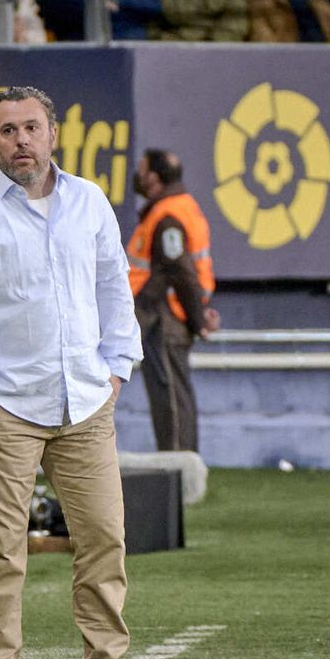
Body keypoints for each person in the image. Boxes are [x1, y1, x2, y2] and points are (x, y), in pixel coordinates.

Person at [0, 86, 167, 659]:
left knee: (106, 537)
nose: (21, 140)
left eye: (31, 128)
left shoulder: (90, 203)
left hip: (86, 402)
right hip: (8, 409)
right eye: (8, 130)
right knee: (0, 547)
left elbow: (116, 288)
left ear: (53, 133)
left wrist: (117, 370)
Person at [127, 148, 218, 453]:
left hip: (165, 321)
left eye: (142, 170)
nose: (137, 176)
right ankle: (179, 476)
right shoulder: (179, 208)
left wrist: (197, 320)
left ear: (154, 177)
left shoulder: (167, 217)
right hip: (171, 318)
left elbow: (178, 271)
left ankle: (179, 477)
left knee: (172, 404)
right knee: (174, 400)